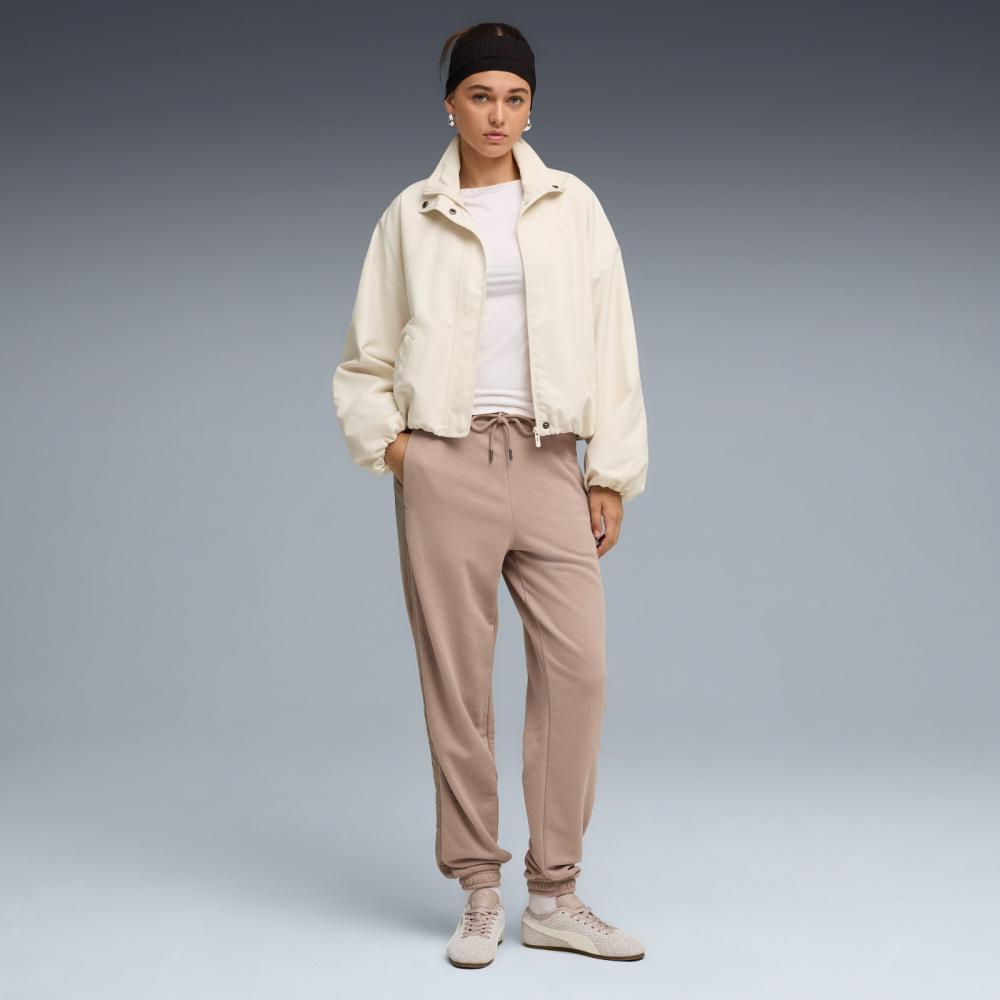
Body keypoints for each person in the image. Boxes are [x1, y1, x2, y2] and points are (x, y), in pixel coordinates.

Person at [332, 21, 648, 968]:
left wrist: (610, 472)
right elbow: (366, 356)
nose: (497, 114)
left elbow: (614, 345)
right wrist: (398, 451)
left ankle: (555, 895)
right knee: (458, 685)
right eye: (480, 96)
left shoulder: (572, 206)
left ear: (531, 107)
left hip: (551, 461)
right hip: (446, 462)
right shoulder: (411, 214)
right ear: (450, 106)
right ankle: (478, 889)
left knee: (579, 670)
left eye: (514, 98)